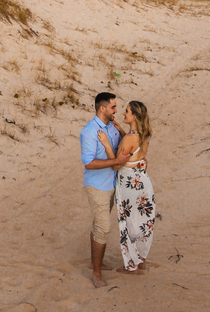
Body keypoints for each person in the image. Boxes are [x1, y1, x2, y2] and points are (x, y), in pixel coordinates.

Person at [97, 100, 155, 273]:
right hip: (143, 182)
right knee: (142, 221)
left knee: (129, 222)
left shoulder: (129, 139)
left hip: (129, 185)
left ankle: (132, 266)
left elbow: (116, 164)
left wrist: (107, 143)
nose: (124, 113)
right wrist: (122, 131)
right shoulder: (144, 135)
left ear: (135, 116)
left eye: (127, 111)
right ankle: (141, 259)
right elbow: (134, 151)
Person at [80, 92, 129, 287]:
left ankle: (94, 262)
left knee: (98, 225)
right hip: (97, 186)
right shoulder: (90, 131)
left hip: (112, 184)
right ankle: (97, 275)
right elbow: (89, 163)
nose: (116, 110)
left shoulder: (113, 128)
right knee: (103, 228)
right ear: (102, 109)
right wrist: (115, 161)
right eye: (113, 107)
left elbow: (120, 151)